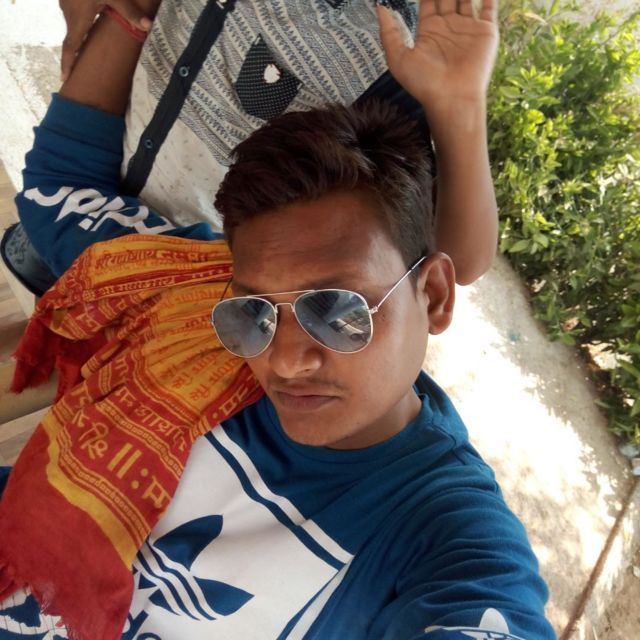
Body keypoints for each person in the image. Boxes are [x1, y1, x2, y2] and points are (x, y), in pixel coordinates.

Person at [0, 3, 556, 639]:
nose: (284, 361)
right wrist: (130, 17)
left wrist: (458, 111)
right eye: (253, 313)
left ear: (432, 297)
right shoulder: (193, 303)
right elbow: (61, 187)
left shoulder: (437, 532)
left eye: (339, 310)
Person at [2, 0, 499, 293]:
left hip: (181, 291)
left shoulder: (401, 52)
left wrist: (458, 109)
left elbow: (453, 258)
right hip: (76, 209)